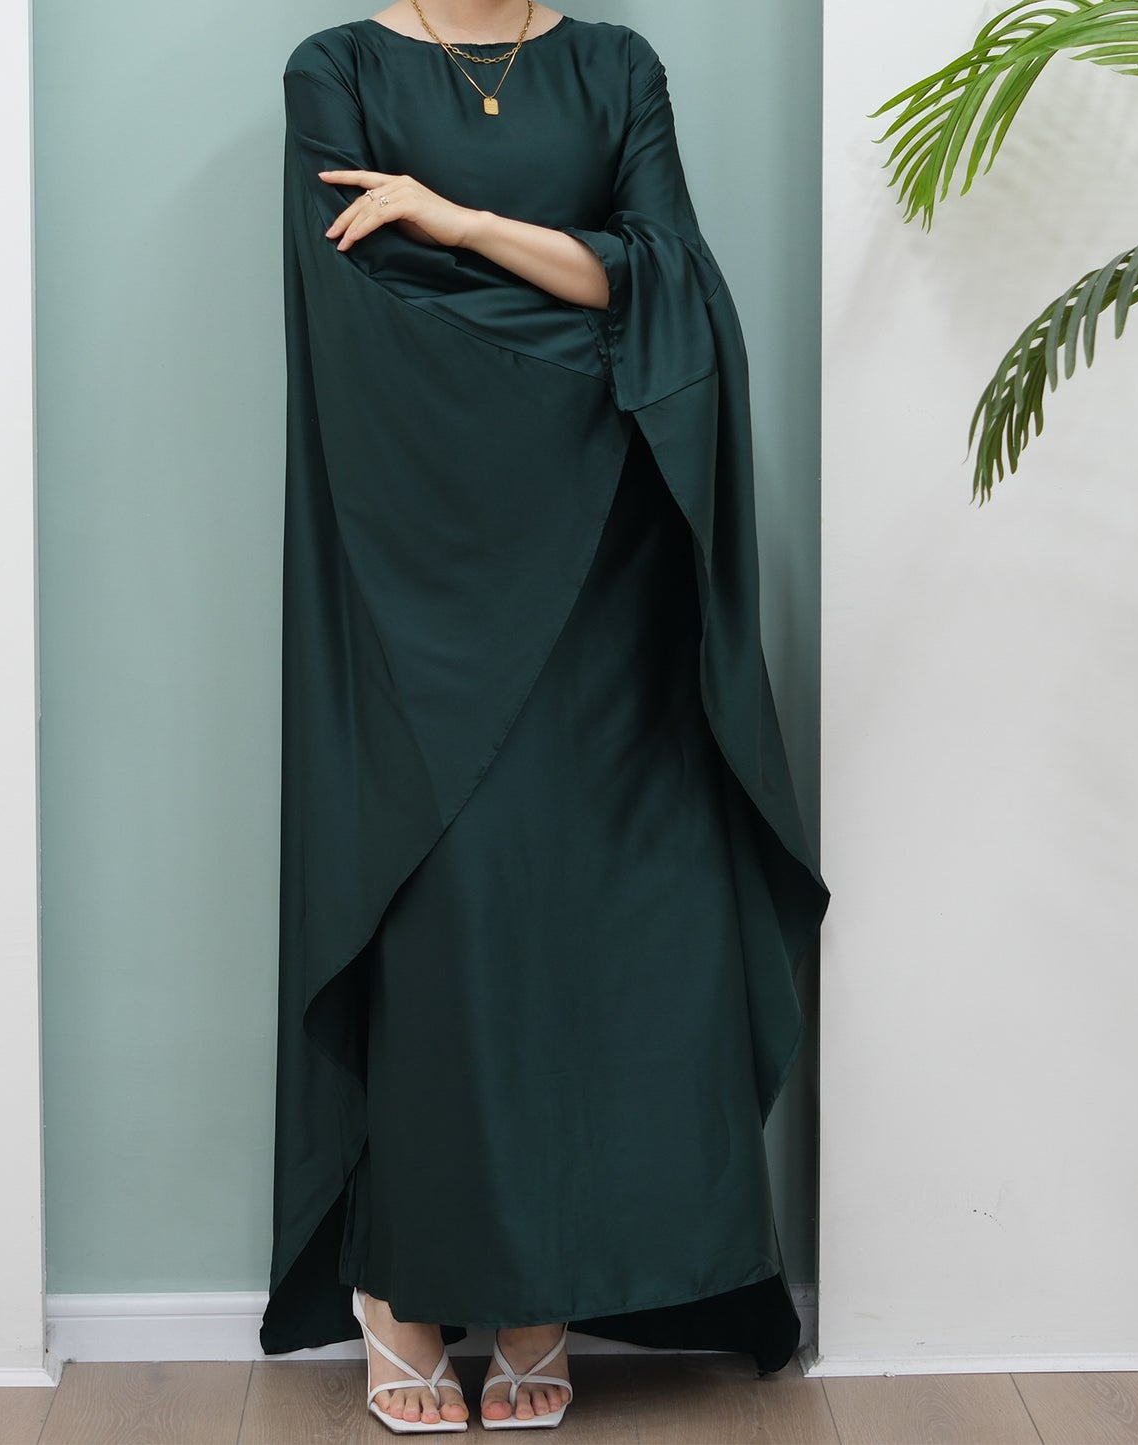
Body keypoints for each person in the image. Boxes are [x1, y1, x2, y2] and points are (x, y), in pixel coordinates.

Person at [258, 0, 832, 1433]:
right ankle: (399, 1290)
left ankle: (539, 1298)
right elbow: (368, 322)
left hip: (615, 563)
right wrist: (588, 293)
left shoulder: (615, 64)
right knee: (445, 914)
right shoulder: (338, 70)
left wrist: (455, 222)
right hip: (425, 571)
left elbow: (673, 284)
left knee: (600, 920)